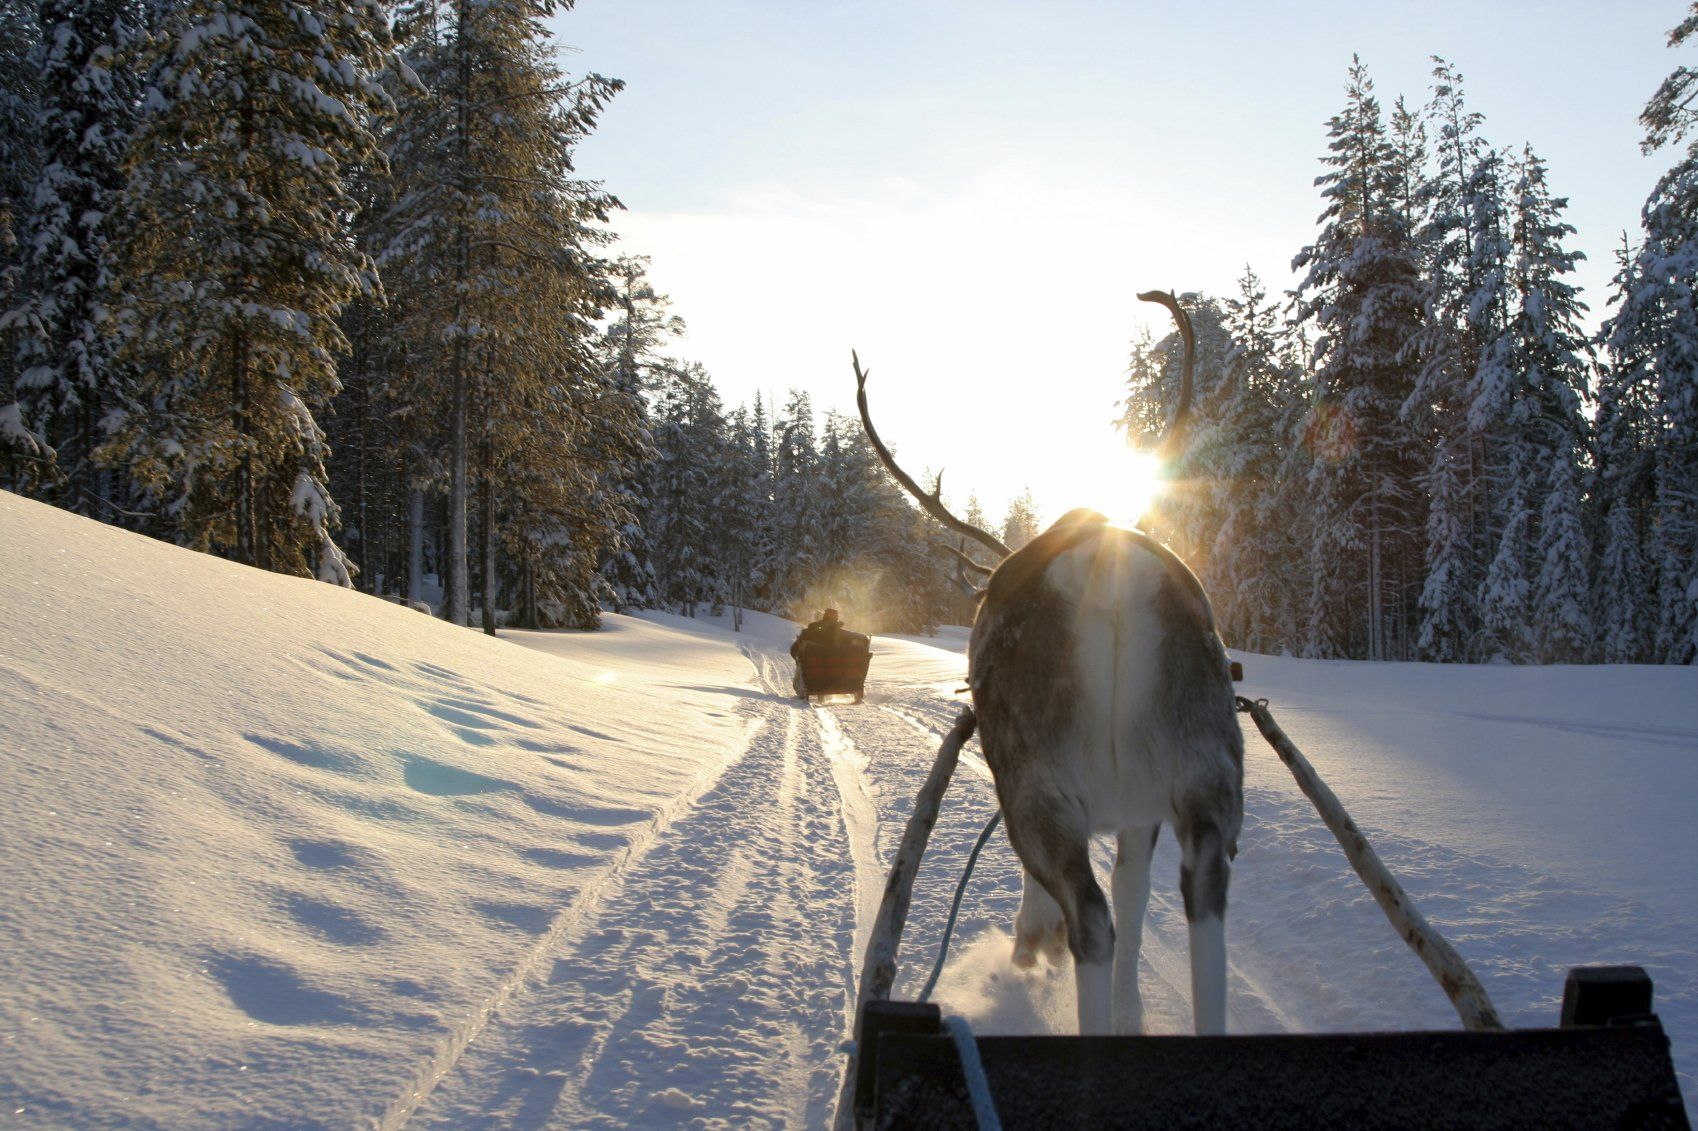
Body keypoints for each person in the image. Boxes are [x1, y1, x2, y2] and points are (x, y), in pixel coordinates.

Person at [791, 608, 845, 697]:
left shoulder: (813, 627)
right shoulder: (841, 633)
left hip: (815, 661)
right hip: (836, 665)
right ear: (836, 617)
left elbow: (795, 649)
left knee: (802, 659)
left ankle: (802, 685)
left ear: (825, 616)